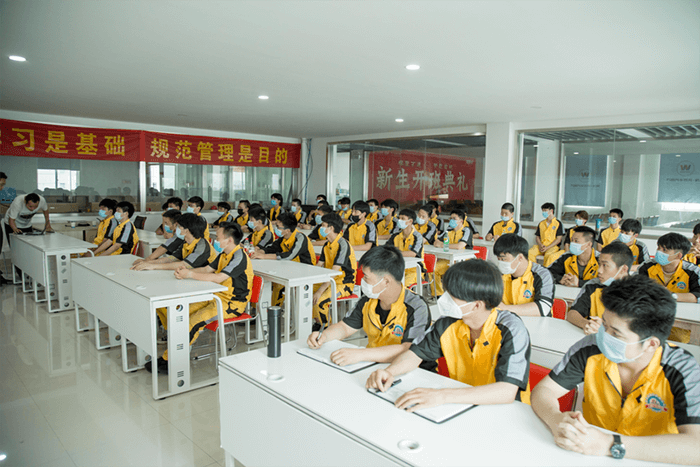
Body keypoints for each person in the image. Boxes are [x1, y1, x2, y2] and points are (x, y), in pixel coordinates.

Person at [531, 275, 700, 465]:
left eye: (616, 333)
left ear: (651, 344)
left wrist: (610, 444)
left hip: (652, 459)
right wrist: (555, 418)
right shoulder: (591, 348)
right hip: (590, 456)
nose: (603, 336)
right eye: (604, 325)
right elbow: (544, 390)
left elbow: (696, 447)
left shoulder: (681, 369)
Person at [365, 259, 532, 408]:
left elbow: (506, 391)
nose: (444, 299)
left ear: (476, 305)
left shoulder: (511, 329)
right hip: (461, 403)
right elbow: (415, 354)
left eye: (453, 296)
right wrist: (390, 372)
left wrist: (442, 396)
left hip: (503, 411)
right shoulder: (448, 322)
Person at [147, 222, 253, 374]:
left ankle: (170, 360)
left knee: (193, 321)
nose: (216, 240)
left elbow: (218, 277)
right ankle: (177, 344)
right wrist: (185, 272)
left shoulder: (239, 256)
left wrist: (190, 274)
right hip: (215, 297)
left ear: (229, 240)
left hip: (232, 304)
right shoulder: (224, 254)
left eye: (218, 237)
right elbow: (207, 269)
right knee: (177, 312)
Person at [308, 245, 431, 368]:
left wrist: (361, 354)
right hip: (373, 365)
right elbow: (345, 327)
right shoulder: (368, 300)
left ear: (386, 282)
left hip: (407, 369)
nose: (362, 280)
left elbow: (408, 349)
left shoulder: (417, 307)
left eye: (366, 277)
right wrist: (324, 336)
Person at [566, 242, 632, 334]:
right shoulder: (593, 286)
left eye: (605, 265)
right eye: (599, 264)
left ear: (623, 269)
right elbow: (572, 314)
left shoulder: (638, 292)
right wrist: (586, 323)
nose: (599, 270)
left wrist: (607, 330)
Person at [252, 212, 316, 307]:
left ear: (287, 230)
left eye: (278, 227)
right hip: (290, 268)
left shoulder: (300, 237)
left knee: (278, 285)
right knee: (268, 281)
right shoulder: (283, 238)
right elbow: (272, 248)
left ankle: (275, 309)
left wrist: (264, 256)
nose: (276, 229)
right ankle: (268, 309)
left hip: (306, 271)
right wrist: (260, 252)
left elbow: (289, 255)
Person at [311, 213, 357, 330]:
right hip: (330, 281)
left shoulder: (343, 245)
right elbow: (319, 266)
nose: (321, 228)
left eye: (323, 225)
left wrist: (320, 290)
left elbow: (334, 272)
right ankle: (319, 322)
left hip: (344, 284)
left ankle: (327, 328)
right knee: (306, 293)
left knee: (321, 301)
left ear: (331, 228)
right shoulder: (327, 245)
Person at [495, 234, 554, 317]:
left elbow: (543, 307)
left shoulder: (542, 274)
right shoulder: (500, 273)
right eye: (498, 259)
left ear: (520, 257)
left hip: (537, 322)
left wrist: (505, 308)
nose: (501, 263)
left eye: (503, 259)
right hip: (508, 321)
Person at [131, 214, 215, 271]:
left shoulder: (202, 245)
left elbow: (185, 264)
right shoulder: (186, 243)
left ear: (186, 230)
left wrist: (153, 266)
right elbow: (172, 259)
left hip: (207, 282)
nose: (176, 228)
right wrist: (148, 262)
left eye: (179, 226)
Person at [638, 233, 700, 304]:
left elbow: (698, 296)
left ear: (678, 255)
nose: (659, 252)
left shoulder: (693, 270)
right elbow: (635, 289)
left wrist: (670, 295)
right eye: (658, 248)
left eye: (664, 250)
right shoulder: (646, 266)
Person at [431, 209, 473, 296]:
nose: (451, 220)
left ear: (461, 221)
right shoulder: (449, 229)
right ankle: (438, 294)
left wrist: (442, 245)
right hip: (448, 260)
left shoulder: (466, 230)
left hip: (463, 261)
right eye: (450, 218)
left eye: (454, 218)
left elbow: (459, 246)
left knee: (455, 274)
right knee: (433, 269)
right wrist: (441, 244)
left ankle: (458, 295)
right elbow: (436, 242)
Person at [387, 209, 424, 289]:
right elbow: (387, 249)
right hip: (398, 268)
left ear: (410, 221)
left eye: (403, 218)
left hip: (414, 270)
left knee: (401, 286)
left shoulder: (417, 236)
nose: (399, 221)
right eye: (399, 218)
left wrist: (395, 252)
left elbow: (413, 253)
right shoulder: (395, 235)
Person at [528, 202, 563, 267]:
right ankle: (533, 269)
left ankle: (545, 272)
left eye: (545, 210)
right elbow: (537, 236)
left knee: (548, 256)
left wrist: (547, 247)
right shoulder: (541, 223)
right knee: (530, 252)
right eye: (543, 211)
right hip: (541, 246)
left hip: (552, 247)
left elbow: (559, 239)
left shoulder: (558, 223)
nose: (543, 212)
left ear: (551, 211)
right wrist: (540, 245)